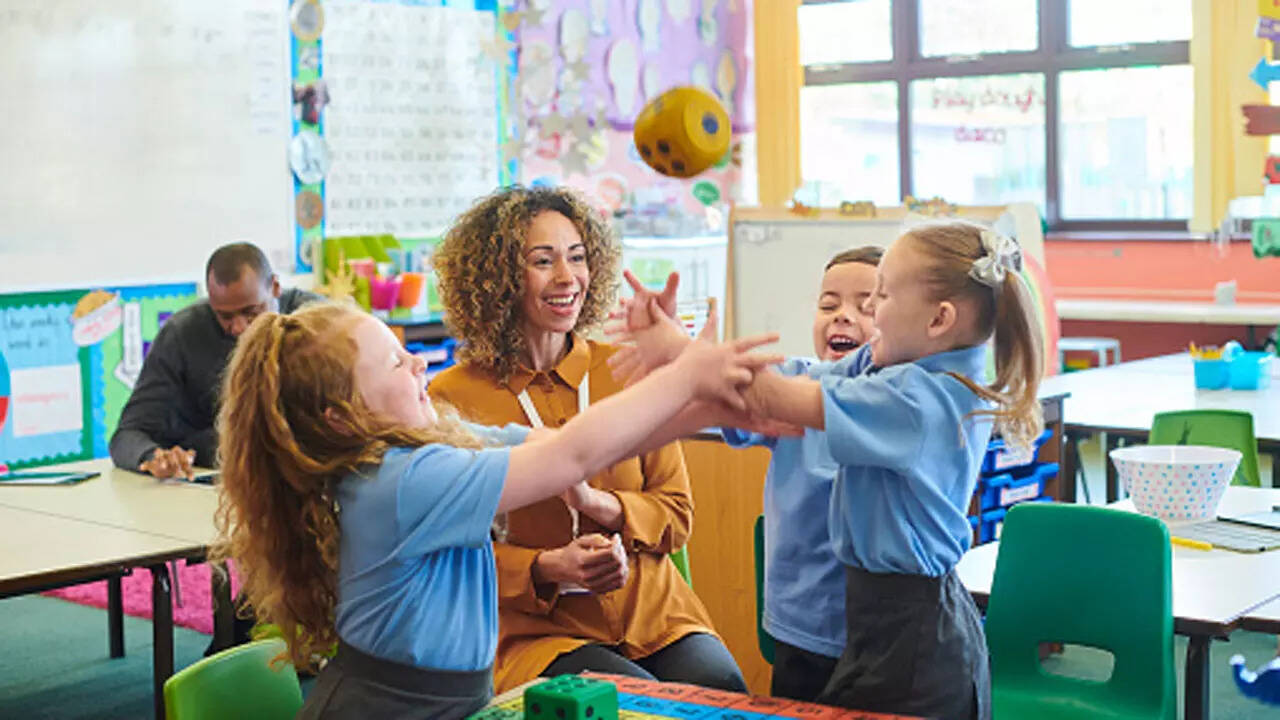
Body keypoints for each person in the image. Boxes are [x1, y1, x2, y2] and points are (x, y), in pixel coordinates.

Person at [211, 302, 775, 719]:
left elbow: (563, 443)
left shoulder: (424, 448)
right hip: (387, 707)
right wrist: (682, 378)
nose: (417, 363)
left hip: (447, 700)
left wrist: (706, 408)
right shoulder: (402, 481)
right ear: (343, 417)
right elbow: (571, 454)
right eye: (394, 363)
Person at [613, 221, 1044, 720]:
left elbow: (776, 396)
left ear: (938, 320)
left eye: (880, 296)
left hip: (914, 638)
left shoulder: (919, 399)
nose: (869, 311)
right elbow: (791, 381)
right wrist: (682, 371)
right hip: (881, 625)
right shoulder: (891, 373)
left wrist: (681, 353)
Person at [427, 186, 748, 693]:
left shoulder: (626, 368)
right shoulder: (451, 397)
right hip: (538, 631)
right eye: (543, 261)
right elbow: (445, 551)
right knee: (623, 702)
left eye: (577, 257)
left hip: (653, 614)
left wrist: (602, 506)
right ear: (497, 278)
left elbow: (676, 514)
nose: (567, 277)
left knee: (723, 688)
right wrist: (546, 567)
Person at [720, 246, 881, 702]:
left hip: (878, 630)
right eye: (828, 305)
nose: (842, 316)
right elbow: (733, 397)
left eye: (867, 307)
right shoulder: (794, 381)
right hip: (802, 624)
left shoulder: (897, 399)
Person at [109, 242, 319, 478]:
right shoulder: (182, 334)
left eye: (251, 312)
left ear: (275, 287)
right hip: (212, 477)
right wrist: (154, 457)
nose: (239, 328)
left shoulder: (317, 325)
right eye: (225, 316)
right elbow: (128, 435)